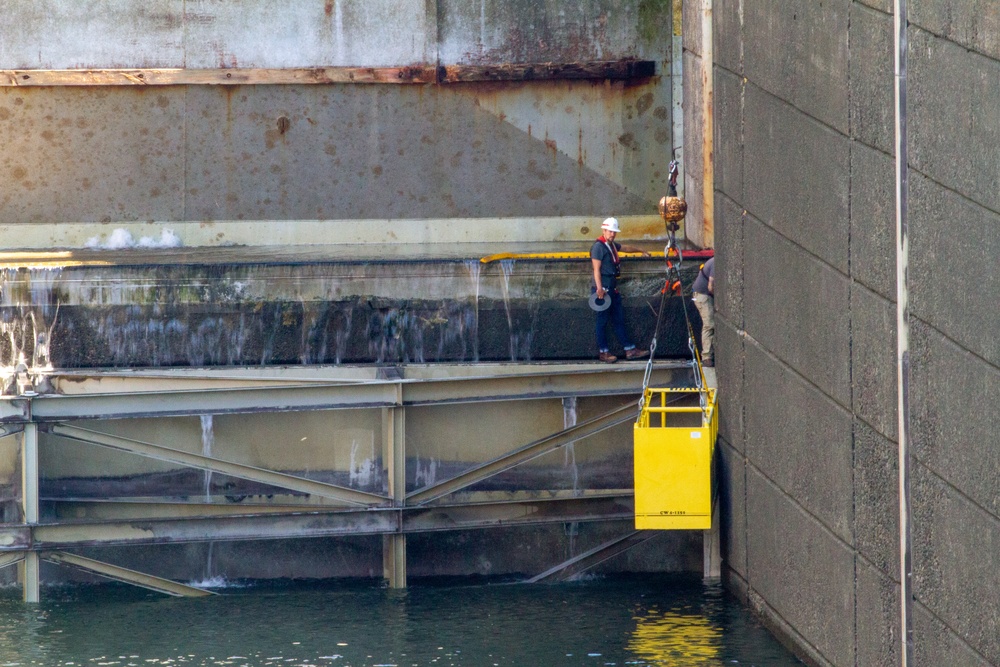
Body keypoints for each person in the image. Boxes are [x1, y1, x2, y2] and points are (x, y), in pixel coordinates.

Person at [591, 217, 651, 363]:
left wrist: (641, 250)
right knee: (602, 321)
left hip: (612, 288)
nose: (612, 234)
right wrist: (599, 288)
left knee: (618, 319)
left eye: (614, 232)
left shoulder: (610, 245)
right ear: (604, 230)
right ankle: (603, 352)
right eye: (610, 231)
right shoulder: (598, 247)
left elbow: (625, 248)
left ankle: (629, 349)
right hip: (603, 290)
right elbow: (596, 269)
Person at [692, 256, 715, 367]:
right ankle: (706, 357)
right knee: (709, 324)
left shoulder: (713, 261)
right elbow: (711, 287)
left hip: (703, 294)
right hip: (702, 296)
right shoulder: (715, 263)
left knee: (710, 324)